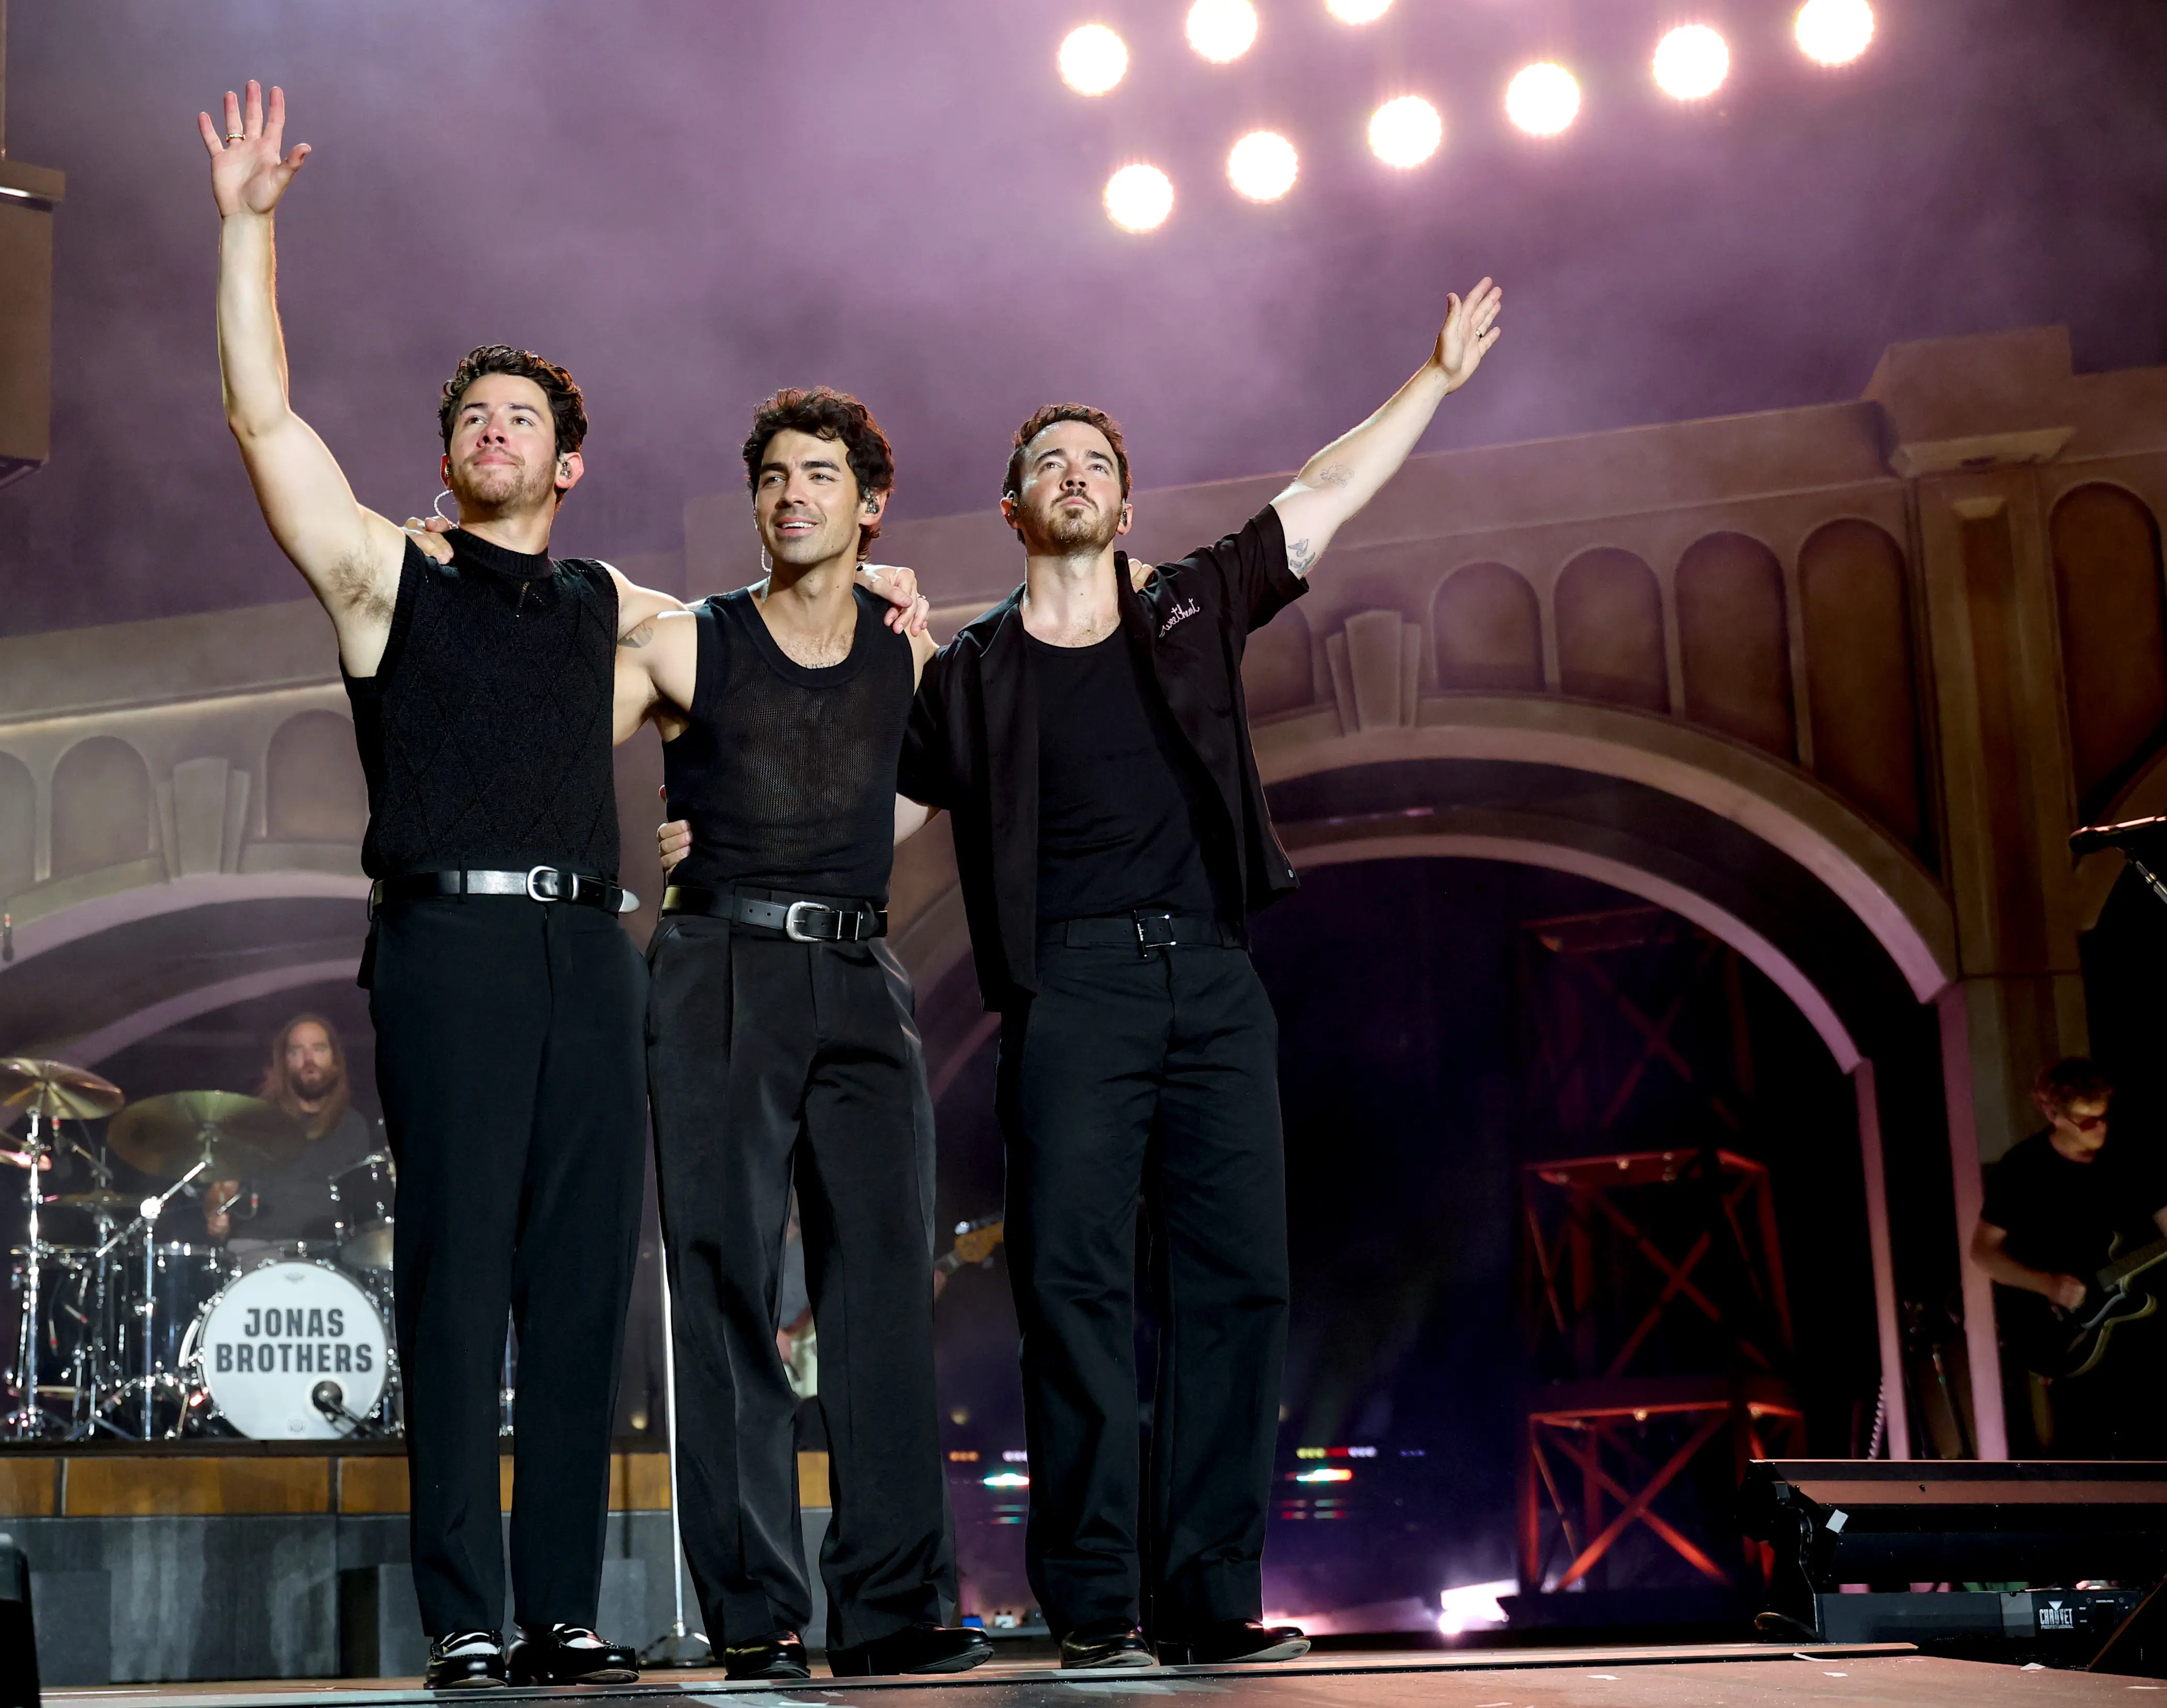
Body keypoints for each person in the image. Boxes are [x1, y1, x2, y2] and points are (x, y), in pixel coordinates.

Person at [193, 83, 902, 1689]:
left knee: (583, 1281)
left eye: (521, 419)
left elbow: (777, 640)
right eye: (473, 418)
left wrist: (876, 588)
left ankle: (560, 1613)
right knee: (456, 1276)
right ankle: (462, 1617)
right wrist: (246, 233)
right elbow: (263, 423)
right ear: (448, 456)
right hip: (443, 940)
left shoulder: (615, 607)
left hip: (590, 956)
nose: (493, 432)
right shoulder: (387, 574)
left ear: (568, 464)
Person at [895, 282, 1504, 1667]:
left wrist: (1429, 376)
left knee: (1236, 1287)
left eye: (1093, 462)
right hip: (1069, 996)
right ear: (1011, 508)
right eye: (1046, 462)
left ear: (1123, 505)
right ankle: (1091, 1607)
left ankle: (1208, 1599)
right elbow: (879, 814)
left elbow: (1319, 492)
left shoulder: (1187, 603)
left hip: (1213, 981)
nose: (1071, 474)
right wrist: (730, 837)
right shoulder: (966, 673)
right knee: (1071, 1290)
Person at [640, 390, 986, 1680]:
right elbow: (569, 692)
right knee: (726, 1277)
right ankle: (755, 1612)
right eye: (775, 476)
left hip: (856, 968)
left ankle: (892, 1607)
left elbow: (910, 792)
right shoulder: (696, 637)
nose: (793, 493)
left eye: (821, 474)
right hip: (719, 963)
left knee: (882, 1284)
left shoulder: (908, 652)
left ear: (869, 503)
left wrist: (818, 838)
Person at [1973, 1057, 2167, 1455]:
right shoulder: (2022, 1169)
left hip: (2140, 1330)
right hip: (2068, 1334)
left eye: (2103, 1116)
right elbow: (1982, 1252)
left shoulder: (2131, 1156)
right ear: (2051, 1113)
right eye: (2086, 1121)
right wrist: (2046, 1285)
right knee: (2083, 1445)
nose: (2100, 1128)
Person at [204, 1014, 375, 1257]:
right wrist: (216, 1211)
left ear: (336, 1061)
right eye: (297, 1051)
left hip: (331, 1253)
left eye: (318, 1049)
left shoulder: (354, 1126)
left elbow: (365, 1209)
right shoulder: (254, 1121)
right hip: (260, 1249)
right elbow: (220, 1191)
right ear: (284, 1064)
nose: (309, 1059)